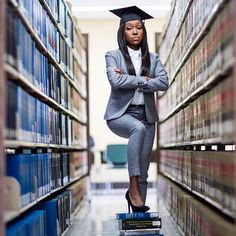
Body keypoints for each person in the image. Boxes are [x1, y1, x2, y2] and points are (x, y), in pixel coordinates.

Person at [104, 6, 169, 212]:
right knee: (137, 129)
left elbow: (164, 82)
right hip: (120, 114)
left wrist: (129, 79)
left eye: (138, 27)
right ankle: (132, 188)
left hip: (146, 114)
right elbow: (115, 80)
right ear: (122, 31)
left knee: (144, 169)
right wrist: (145, 79)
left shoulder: (154, 57)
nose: (134, 31)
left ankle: (139, 212)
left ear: (143, 31)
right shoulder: (112, 55)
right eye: (129, 28)